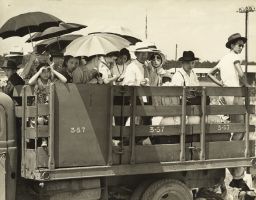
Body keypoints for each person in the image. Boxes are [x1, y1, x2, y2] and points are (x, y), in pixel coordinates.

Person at [208, 33, 251, 192]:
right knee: (241, 127)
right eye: (239, 44)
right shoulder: (233, 57)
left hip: (227, 93)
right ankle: (230, 153)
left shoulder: (224, 58)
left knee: (237, 126)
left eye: (242, 45)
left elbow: (209, 74)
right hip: (234, 94)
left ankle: (232, 158)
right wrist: (247, 85)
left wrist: (221, 84)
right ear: (232, 45)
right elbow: (240, 73)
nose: (241, 47)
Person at [28, 63, 67, 147]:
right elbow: (30, 82)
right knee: (40, 119)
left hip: (50, 108)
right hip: (39, 110)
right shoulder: (37, 82)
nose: (46, 74)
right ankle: (43, 140)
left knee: (53, 119)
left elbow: (64, 80)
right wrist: (39, 71)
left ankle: (51, 141)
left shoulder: (51, 82)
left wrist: (53, 70)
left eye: (47, 72)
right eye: (43, 72)